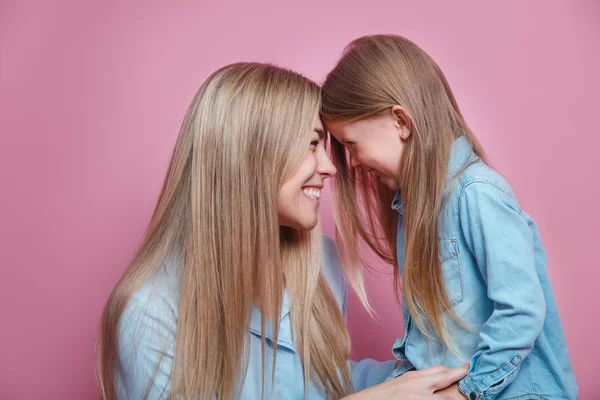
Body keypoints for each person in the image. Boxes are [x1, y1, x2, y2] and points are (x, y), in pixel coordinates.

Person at [96, 62, 466, 399]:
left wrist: (430, 378)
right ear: (252, 158)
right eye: (310, 144)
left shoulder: (322, 265)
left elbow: (323, 383)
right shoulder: (148, 314)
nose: (330, 167)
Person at [322, 34, 578, 400]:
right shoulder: (412, 209)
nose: (355, 162)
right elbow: (432, 340)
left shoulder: (476, 193)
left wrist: (465, 391)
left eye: (351, 144)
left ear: (400, 122)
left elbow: (521, 312)